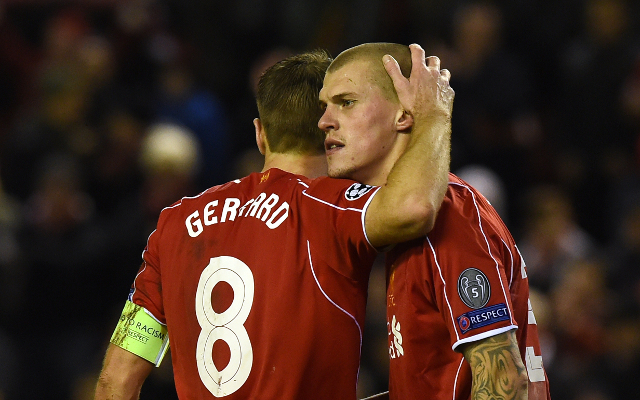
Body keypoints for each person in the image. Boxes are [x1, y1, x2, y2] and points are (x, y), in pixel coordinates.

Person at [94, 45, 453, 400]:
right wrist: (434, 114)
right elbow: (415, 208)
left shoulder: (174, 223)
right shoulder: (327, 207)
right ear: (329, 127)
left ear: (260, 133)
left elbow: (117, 381)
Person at [319, 42, 551, 399]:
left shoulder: (448, 214)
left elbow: (507, 386)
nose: (325, 122)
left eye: (346, 102)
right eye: (324, 107)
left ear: (402, 114)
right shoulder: (405, 225)